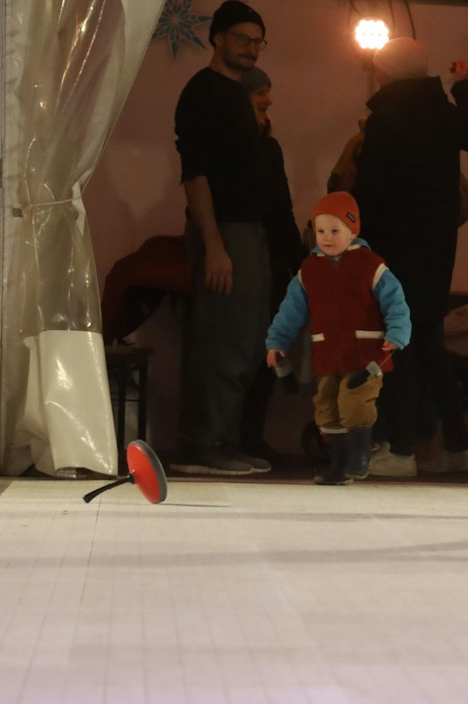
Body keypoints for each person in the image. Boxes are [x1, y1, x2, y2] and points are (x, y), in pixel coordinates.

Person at [351, 37, 468, 478]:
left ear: (386, 72)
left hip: (394, 246)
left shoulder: (386, 118)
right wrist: (463, 86)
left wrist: (353, 236)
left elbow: (371, 188)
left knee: (397, 343)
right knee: (429, 343)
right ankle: (459, 446)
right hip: (437, 246)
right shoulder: (443, 113)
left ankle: (400, 449)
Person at [170, 0, 276, 476]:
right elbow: (196, 174)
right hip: (225, 231)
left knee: (247, 339)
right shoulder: (203, 93)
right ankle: (201, 444)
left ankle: (223, 439)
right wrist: (214, 244)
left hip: (247, 230)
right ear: (217, 38)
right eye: (242, 39)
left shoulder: (237, 94)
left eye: (257, 41)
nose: (251, 48)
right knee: (221, 337)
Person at [264, 193, 412, 485]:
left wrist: (397, 334)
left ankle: (359, 455)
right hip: (328, 354)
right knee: (326, 407)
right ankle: (339, 463)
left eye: (335, 231)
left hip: (366, 356)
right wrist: (276, 342)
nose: (327, 238)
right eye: (321, 231)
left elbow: (396, 302)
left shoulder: (371, 265)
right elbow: (290, 310)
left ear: (353, 231)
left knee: (355, 402)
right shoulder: (310, 271)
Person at [241, 64, 306, 462]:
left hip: (273, 259)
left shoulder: (268, 146)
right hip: (255, 256)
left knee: (264, 351)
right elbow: (277, 207)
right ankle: (242, 436)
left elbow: (281, 207)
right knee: (250, 351)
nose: (268, 100)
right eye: (259, 93)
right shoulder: (253, 147)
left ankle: (249, 435)